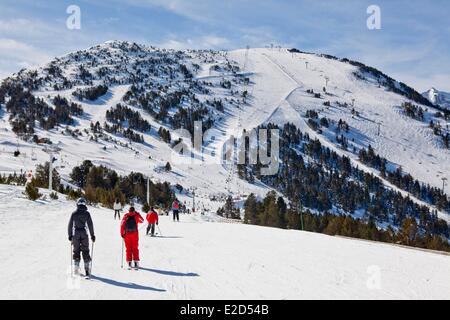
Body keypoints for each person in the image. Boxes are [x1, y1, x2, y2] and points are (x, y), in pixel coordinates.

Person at [68, 198, 95, 277]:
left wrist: (70, 235)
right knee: (85, 250)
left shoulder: (74, 213)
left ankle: (76, 269)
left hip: (76, 233)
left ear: (77, 204)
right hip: (84, 233)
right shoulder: (87, 213)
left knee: (76, 250)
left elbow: (70, 225)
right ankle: (87, 269)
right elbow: (90, 225)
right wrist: (92, 235)